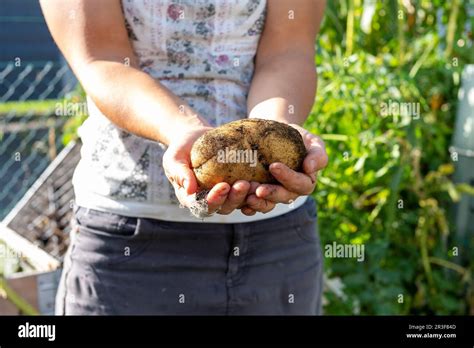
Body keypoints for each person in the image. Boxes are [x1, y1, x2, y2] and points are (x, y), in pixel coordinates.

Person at [40, 0, 328, 315]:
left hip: (275, 243)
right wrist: (183, 130)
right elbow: (104, 59)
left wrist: (270, 131)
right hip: (129, 242)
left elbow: (287, 52)